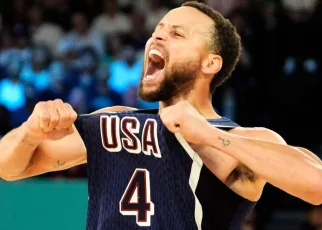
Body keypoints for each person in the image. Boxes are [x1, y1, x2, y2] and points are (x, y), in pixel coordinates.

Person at [0, 1, 322, 229]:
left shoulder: (234, 140)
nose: (156, 37)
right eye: (158, 30)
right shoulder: (115, 121)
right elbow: (9, 168)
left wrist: (208, 135)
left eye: (177, 35)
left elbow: (316, 184)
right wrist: (29, 132)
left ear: (210, 64)